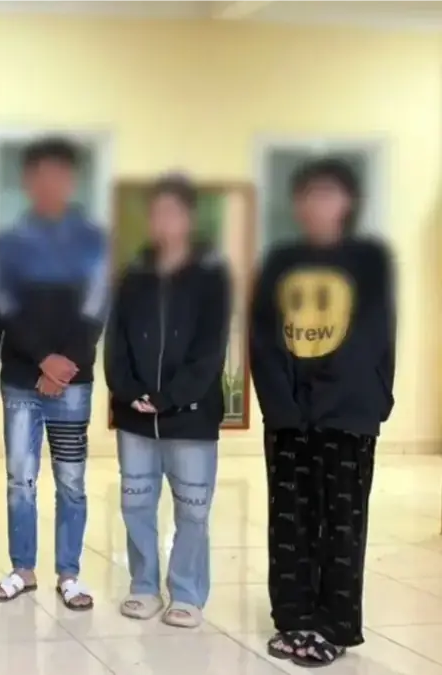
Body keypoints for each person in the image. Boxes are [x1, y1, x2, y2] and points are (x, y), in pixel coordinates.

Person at [251, 158, 395, 668]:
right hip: (289, 416)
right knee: (289, 522)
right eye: (309, 194)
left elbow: (370, 338)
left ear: (348, 202)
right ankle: (293, 617)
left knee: (341, 525)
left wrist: (332, 401)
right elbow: (263, 337)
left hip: (346, 415)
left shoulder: (369, 260)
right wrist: (283, 405)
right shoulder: (280, 259)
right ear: (298, 203)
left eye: (329, 194)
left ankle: (333, 625)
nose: (318, 204)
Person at [0, 137, 107, 608]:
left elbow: (97, 308)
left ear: (72, 181)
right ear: (27, 182)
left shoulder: (94, 242)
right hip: (21, 381)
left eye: (60, 175)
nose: (50, 184)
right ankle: (23, 569)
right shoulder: (10, 244)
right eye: (41, 175)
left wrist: (64, 363)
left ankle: (69, 574)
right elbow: (3, 307)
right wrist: (41, 359)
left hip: (73, 381)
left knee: (71, 481)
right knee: (21, 480)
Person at [103, 175, 230, 628]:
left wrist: (169, 397)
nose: (163, 221)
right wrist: (129, 392)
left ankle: (187, 593)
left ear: (189, 218)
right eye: (156, 213)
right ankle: (143, 586)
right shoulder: (132, 277)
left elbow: (210, 350)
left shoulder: (211, 277)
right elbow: (115, 343)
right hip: (136, 417)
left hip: (190, 416)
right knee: (136, 503)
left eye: (172, 212)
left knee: (192, 509)